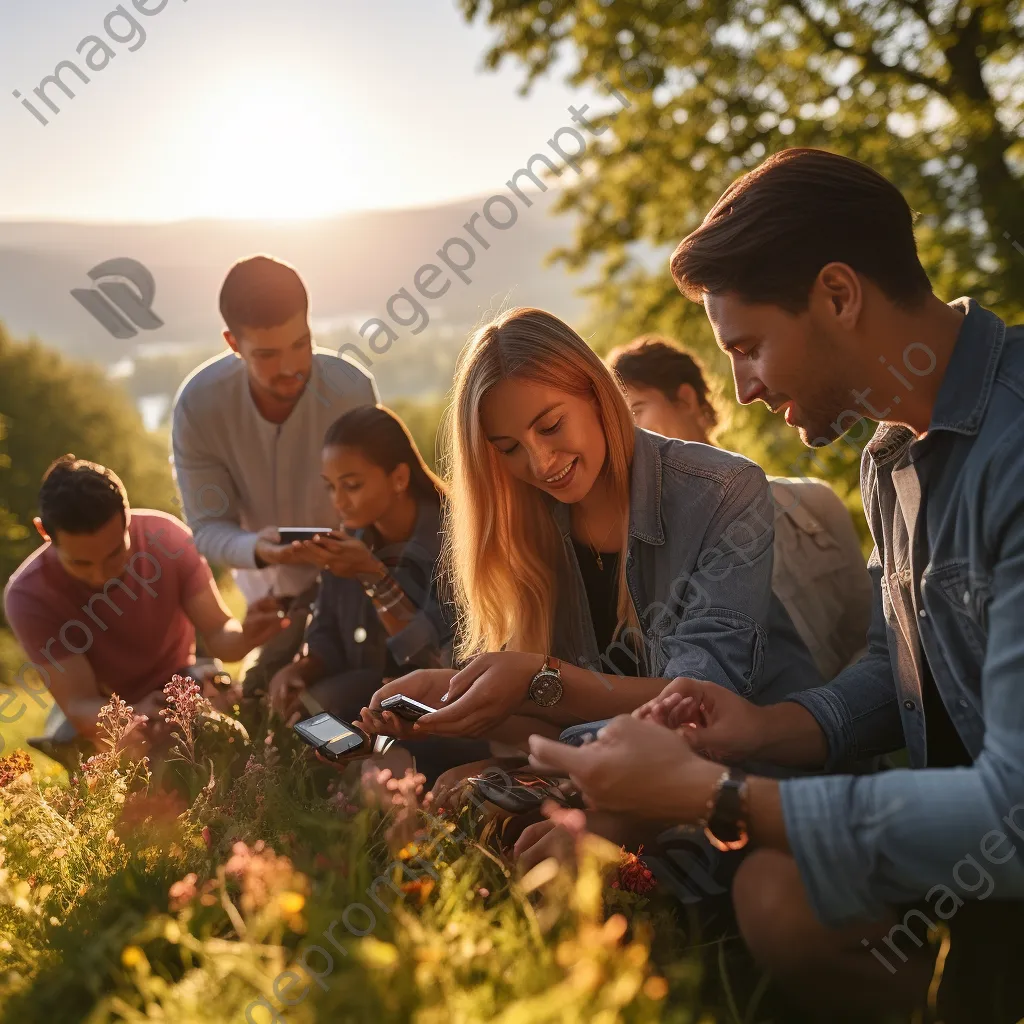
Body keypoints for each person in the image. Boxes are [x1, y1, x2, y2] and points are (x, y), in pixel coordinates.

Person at [527, 148, 1024, 1023]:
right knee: (775, 898)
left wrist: (710, 796)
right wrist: (756, 728)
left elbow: (1013, 815)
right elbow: (896, 667)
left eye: (749, 348)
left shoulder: (1014, 455)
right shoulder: (889, 455)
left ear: (838, 295)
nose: (744, 391)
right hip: (969, 858)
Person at [361, 306, 823, 750]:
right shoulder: (527, 521)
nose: (540, 464)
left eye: (551, 426)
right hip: (617, 776)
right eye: (509, 448)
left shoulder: (723, 490)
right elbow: (557, 719)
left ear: (596, 393)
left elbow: (697, 702)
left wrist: (537, 678)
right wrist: (452, 698)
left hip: (750, 784)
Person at [608, 334, 872, 680]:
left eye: (635, 411)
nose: (631, 435)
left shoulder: (814, 504)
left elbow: (875, 638)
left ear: (686, 399)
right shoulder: (636, 558)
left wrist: (831, 717)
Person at [171, 255, 377, 697]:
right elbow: (206, 527)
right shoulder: (199, 405)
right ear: (233, 343)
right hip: (268, 595)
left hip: (352, 585)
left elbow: (379, 504)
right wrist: (256, 549)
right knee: (265, 702)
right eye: (267, 354)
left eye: (300, 344)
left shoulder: (352, 390)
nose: (291, 367)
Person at [2, 456, 288, 763]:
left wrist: (246, 635)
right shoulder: (28, 596)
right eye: (81, 563)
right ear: (44, 532)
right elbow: (80, 702)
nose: (101, 575)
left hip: (181, 679)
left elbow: (220, 633)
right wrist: (134, 714)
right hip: (104, 706)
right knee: (127, 752)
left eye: (114, 554)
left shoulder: (167, 538)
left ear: (128, 516)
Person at [268, 405, 489, 782]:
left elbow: (441, 662)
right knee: (313, 711)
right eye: (331, 486)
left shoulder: (457, 541)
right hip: (372, 706)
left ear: (399, 478)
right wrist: (301, 669)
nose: (339, 500)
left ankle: (375, 775)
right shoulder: (351, 541)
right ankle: (351, 770)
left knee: (351, 721)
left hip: (440, 709)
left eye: (351, 485)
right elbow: (327, 632)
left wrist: (373, 577)